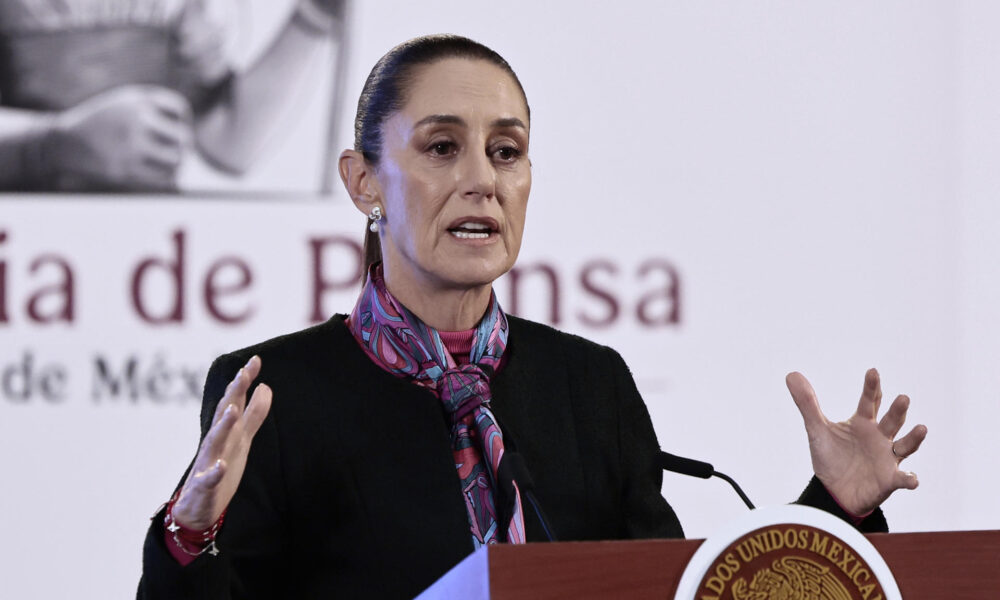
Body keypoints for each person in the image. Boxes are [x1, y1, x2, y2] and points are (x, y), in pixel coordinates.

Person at [137, 34, 928, 598]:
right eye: (442, 148)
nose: (482, 180)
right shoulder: (278, 392)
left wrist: (833, 508)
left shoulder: (588, 383)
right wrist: (190, 533)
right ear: (364, 182)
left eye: (506, 152)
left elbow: (679, 591)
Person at [0, 0, 344, 192]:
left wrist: (313, 17)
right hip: (28, 244)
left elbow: (227, 141)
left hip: (151, 241)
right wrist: (50, 144)